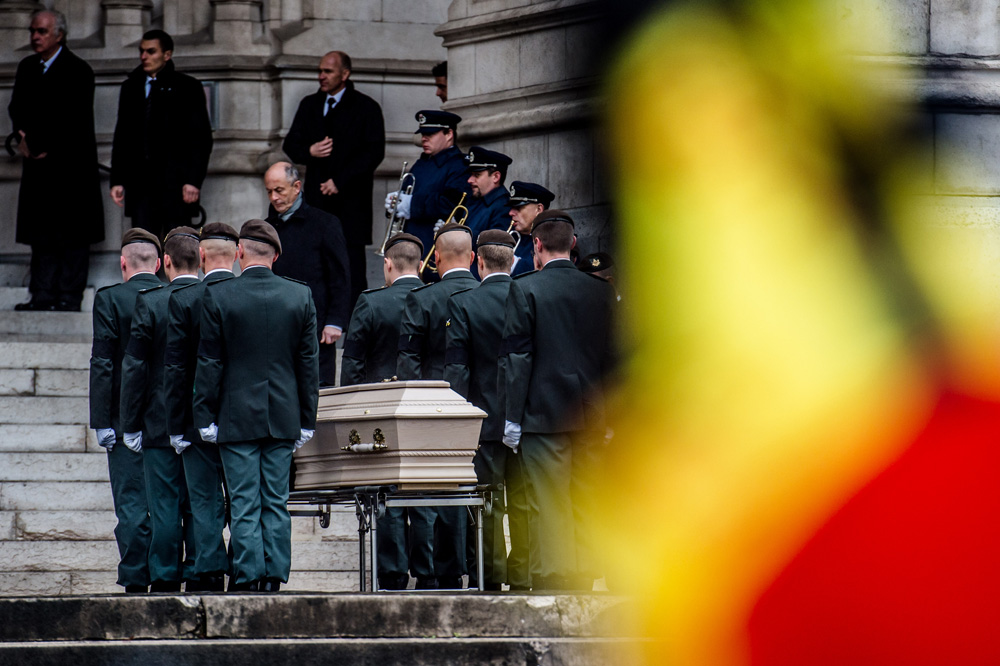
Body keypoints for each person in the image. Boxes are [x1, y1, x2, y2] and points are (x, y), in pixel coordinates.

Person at [193, 220, 319, 592]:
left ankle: (249, 575)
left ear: (239, 252)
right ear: (276, 256)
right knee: (275, 500)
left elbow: (210, 362)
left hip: (235, 415)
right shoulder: (300, 295)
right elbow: (307, 364)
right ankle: (274, 575)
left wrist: (204, 415)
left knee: (245, 500)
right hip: (283, 414)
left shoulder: (219, 295)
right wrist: (307, 418)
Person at [501, 210, 616, 591]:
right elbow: (613, 356)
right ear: (574, 244)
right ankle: (586, 573)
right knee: (586, 495)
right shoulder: (600, 290)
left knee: (547, 501)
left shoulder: (525, 288)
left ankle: (553, 576)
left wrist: (512, 418)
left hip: (542, 413)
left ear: (536, 244)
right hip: (592, 411)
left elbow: (519, 357)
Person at [445, 229, 530, 591]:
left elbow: (458, 368)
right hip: (525, 416)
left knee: (487, 502)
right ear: (512, 261)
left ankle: (490, 576)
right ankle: (522, 573)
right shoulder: (529, 295)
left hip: (481, 419)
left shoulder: (465, 303)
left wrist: (458, 417)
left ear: (478, 262)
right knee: (524, 501)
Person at [340, 232, 425, 590]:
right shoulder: (435, 298)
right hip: (425, 406)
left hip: (379, 409)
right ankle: (431, 569)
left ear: (387, 265)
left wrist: (351, 410)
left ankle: (391, 572)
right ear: (420, 265)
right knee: (424, 489)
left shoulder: (371, 303)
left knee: (386, 492)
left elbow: (353, 362)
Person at [119, 227, 201, 592]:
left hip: (157, 419)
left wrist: (130, 422)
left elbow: (135, 368)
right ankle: (202, 570)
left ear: (164, 262)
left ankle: (165, 574)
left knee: (164, 505)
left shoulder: (150, 301)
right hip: (201, 420)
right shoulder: (212, 298)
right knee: (201, 502)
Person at [397, 223, 479, 588]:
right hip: (481, 409)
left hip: (432, 407)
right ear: (473, 257)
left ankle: (430, 572)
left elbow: (408, 363)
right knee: (466, 492)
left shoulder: (423, 297)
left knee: (428, 490)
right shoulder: (488, 293)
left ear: (438, 257)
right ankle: (462, 570)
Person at [9, 9, 104, 312]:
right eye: (33, 31)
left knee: (72, 235)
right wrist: (24, 137)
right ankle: (42, 293)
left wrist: (39, 142)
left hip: (70, 167)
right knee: (42, 235)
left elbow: (69, 118)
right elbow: (18, 108)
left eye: (42, 31)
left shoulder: (78, 70)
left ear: (59, 35)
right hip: (39, 169)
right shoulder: (27, 68)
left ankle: (68, 294)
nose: (35, 37)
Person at [164, 222, 239, 593]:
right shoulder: (248, 294)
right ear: (237, 255)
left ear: (203, 257)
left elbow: (176, 369)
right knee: (243, 499)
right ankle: (247, 569)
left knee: (204, 500)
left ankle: (208, 570)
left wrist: (177, 424)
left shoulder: (185, 298)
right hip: (244, 417)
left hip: (197, 415)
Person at [89, 229, 163, 593]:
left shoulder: (111, 299)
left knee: (132, 504)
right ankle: (168, 572)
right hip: (168, 419)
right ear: (160, 264)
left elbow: (103, 362)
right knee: (168, 503)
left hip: (122, 419)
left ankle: (136, 577)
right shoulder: (173, 296)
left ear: (123, 263)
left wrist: (102, 420)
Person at [283, 50, 385, 305]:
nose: (321, 77)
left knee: (351, 263)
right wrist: (310, 151)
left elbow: (373, 152)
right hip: (317, 200)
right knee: (315, 257)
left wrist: (340, 181)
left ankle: (354, 321)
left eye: (327, 71)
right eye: (320, 71)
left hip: (351, 202)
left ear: (345, 74)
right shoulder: (310, 104)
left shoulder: (366, 107)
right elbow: (291, 144)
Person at [109, 29, 213, 238]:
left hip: (175, 184)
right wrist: (118, 179)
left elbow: (200, 138)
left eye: (151, 51)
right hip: (141, 185)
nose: (144, 57)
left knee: (179, 245)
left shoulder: (187, 87)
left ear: (167, 55)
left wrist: (193, 180)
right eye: (142, 51)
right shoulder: (131, 87)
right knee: (143, 245)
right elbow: (122, 136)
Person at [264, 161, 351, 387]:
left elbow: (340, 278)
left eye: (279, 190)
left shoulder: (325, 224)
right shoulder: (266, 228)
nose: (274, 197)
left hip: (317, 326)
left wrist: (335, 321)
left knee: (317, 395)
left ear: (297, 186)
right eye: (269, 192)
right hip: (276, 325)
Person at [384, 110, 470, 263]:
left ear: (449, 134)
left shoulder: (459, 165)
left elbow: (451, 203)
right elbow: (406, 196)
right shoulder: (421, 164)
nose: (424, 139)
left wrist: (411, 205)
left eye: (430, 134)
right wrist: (394, 204)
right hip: (410, 244)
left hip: (433, 246)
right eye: (423, 134)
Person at [507, 181, 554, 278]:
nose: (511, 213)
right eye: (512, 207)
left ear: (539, 209)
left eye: (518, 207)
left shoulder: (555, 239)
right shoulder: (513, 237)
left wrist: (515, 263)